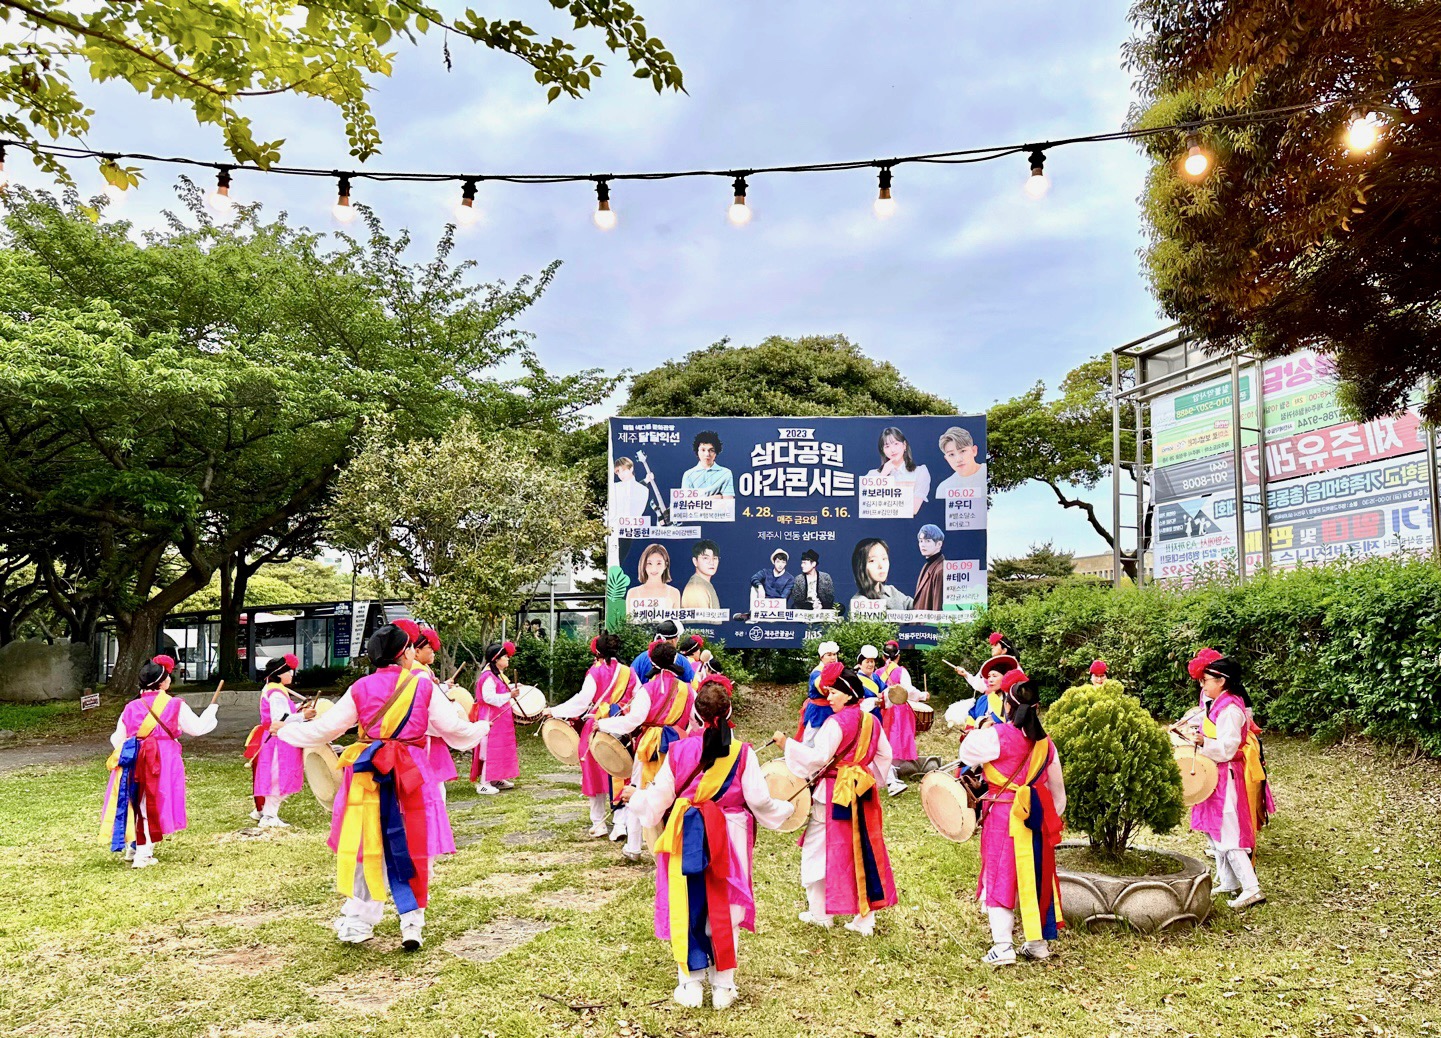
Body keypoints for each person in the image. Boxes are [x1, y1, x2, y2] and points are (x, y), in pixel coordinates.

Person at [276, 624, 491, 949]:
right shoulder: (423, 687)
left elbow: (326, 729)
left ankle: (358, 923)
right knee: (416, 842)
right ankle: (412, 923)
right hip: (413, 772)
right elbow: (452, 729)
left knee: (366, 844)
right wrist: (480, 728)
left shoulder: (360, 688)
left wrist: (285, 731)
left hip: (368, 772)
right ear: (404, 652)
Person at [623, 680, 795, 1009]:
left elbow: (658, 801)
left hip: (685, 833)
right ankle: (723, 986)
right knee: (727, 908)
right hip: (729, 835)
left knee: (686, 904)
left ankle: (690, 984)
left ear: (696, 716)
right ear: (729, 712)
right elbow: (760, 802)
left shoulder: (680, 750)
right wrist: (787, 810)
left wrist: (636, 799)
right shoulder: (742, 752)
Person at [775, 665, 896, 934]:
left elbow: (818, 759)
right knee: (862, 848)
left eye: (833, 692)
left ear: (848, 694)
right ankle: (865, 919)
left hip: (833, 793)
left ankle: (821, 913)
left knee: (816, 849)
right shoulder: (871, 721)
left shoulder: (835, 723)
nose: (829, 697)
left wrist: (788, 745)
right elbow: (885, 755)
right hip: (861, 791)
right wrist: (870, 779)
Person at [958, 669, 1066, 966]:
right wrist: (1047, 819)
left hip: (1004, 815)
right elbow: (1059, 795)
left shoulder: (995, 736)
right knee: (1035, 877)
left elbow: (966, 753)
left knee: (1000, 875)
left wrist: (983, 724)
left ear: (1007, 704)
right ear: (1036, 709)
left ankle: (1003, 946)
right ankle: (1037, 943)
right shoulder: (1047, 744)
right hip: (1037, 816)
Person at [101, 654, 219, 868]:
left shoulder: (131, 707)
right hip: (163, 758)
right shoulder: (175, 704)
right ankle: (143, 855)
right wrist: (211, 711)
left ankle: (133, 846)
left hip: (134, 756)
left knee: (136, 800)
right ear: (163, 682)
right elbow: (197, 728)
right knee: (154, 802)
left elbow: (117, 738)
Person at [1184, 652, 1274, 911]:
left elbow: (1228, 747)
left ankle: (1252, 888)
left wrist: (1203, 742)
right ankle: (1228, 880)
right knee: (1215, 831)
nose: (1203, 686)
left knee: (1228, 833)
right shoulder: (1220, 704)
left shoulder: (1231, 709)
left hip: (1228, 776)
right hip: (1216, 773)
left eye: (1206, 681)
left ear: (1221, 681)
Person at [600, 641, 694, 861]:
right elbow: (694, 721)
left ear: (651, 661)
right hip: (677, 745)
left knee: (637, 789)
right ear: (675, 661)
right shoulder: (687, 690)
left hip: (650, 745)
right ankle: (671, 844)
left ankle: (633, 847)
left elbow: (634, 720)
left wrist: (603, 725)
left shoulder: (647, 689)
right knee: (672, 792)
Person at [545, 633, 637, 838]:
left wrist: (555, 711)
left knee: (594, 775)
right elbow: (637, 696)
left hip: (596, 726)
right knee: (620, 772)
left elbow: (582, 701)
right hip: (621, 726)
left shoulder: (594, 673)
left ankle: (598, 823)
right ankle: (621, 823)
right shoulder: (628, 671)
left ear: (597, 653)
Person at [246, 653, 313, 828]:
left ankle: (263, 811)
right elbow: (279, 719)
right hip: (278, 740)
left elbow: (284, 712)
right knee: (278, 775)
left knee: (272, 775)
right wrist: (303, 716)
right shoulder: (276, 692)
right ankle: (269, 815)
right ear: (279, 673)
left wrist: (298, 709)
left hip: (274, 739)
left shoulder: (272, 688)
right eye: (289, 671)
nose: (291, 674)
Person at [878, 640, 927, 796]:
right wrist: (922, 695)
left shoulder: (878, 672)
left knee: (884, 737)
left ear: (883, 656)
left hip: (883, 708)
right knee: (898, 737)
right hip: (899, 709)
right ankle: (893, 771)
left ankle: (888, 772)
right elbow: (909, 691)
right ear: (898, 656)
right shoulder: (901, 671)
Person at [470, 641, 519, 795]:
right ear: (496, 659)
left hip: (500, 718)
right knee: (490, 748)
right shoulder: (488, 676)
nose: (507, 659)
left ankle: (497, 777)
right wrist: (509, 695)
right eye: (505, 657)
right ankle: (484, 783)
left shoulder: (497, 675)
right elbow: (488, 697)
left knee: (501, 747)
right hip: (491, 717)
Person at [865, 426, 930, 516]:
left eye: (896, 444)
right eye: (887, 446)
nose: (892, 450)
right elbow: (867, 506)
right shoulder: (873, 475)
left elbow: (914, 509)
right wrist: (883, 476)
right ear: (883, 451)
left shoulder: (920, 472)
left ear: (904, 445)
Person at [848, 538, 913, 613]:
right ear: (861, 566)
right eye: (872, 561)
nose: (881, 566)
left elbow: (920, 607)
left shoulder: (891, 591)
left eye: (884, 558)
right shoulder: (859, 601)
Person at [796, 640, 841, 742]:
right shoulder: (817, 673)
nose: (833, 658)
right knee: (811, 740)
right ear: (822, 657)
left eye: (834, 654)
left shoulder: (836, 670)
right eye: (829, 655)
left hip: (832, 709)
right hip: (818, 711)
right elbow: (824, 689)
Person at [935, 426, 987, 510]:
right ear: (946, 458)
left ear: (974, 451)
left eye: (962, 451)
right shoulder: (944, 487)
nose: (958, 459)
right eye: (951, 454)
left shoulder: (988, 474)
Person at [632, 619, 697, 685]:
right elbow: (693, 686)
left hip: (644, 694)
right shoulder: (682, 661)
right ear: (673, 640)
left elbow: (632, 682)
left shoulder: (640, 659)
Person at [627, 543, 683, 611]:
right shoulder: (633, 593)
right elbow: (629, 620)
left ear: (666, 565)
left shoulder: (674, 593)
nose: (654, 569)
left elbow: (676, 621)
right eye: (649, 563)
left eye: (659, 563)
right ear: (643, 564)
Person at [681, 430, 735, 498]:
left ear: (716, 452)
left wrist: (700, 499)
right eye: (703, 450)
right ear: (697, 451)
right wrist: (719, 497)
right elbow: (687, 504)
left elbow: (728, 501)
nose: (707, 454)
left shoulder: (726, 473)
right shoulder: (688, 475)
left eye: (711, 450)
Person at [913, 524, 947, 611]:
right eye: (921, 541)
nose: (922, 545)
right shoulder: (927, 565)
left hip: (929, 623)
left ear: (939, 544)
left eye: (927, 541)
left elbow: (937, 608)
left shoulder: (941, 570)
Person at [682, 540, 723, 610]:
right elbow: (700, 620)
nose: (711, 562)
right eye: (706, 558)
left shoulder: (704, 583)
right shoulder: (696, 588)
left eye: (715, 558)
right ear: (695, 561)